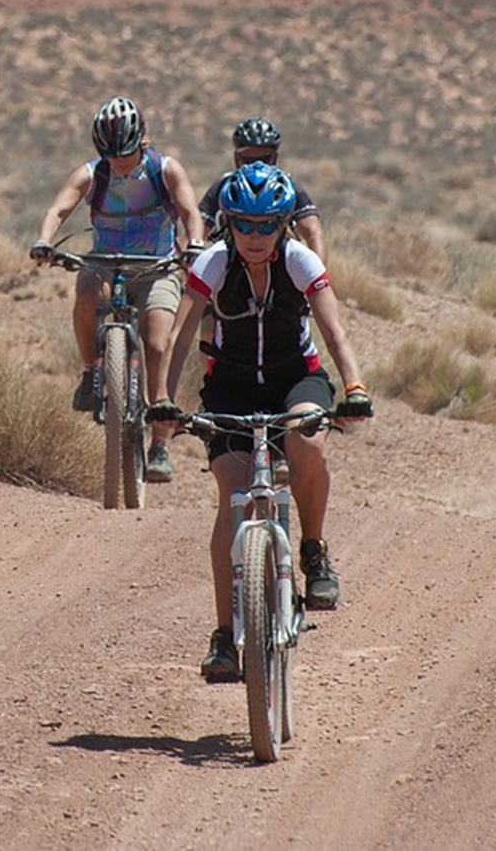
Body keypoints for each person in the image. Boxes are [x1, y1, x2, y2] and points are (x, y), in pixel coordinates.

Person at [162, 162, 373, 682]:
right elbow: (180, 338)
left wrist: (355, 387)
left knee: (306, 440)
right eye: (244, 225)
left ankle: (314, 551)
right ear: (228, 224)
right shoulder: (213, 263)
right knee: (233, 497)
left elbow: (335, 332)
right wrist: (162, 401)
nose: (255, 237)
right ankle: (222, 635)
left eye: (267, 226)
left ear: (283, 225)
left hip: (294, 379)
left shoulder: (299, 261)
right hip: (230, 385)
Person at [29, 97, 204, 484]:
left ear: (141, 139)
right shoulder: (93, 174)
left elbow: (191, 212)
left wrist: (194, 244)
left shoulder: (164, 169)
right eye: (110, 154)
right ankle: (92, 371)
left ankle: (159, 442)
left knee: (158, 343)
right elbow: (58, 210)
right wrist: (44, 240)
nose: (118, 161)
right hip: (106, 261)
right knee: (87, 293)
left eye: (125, 152)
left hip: (157, 267)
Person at [198, 117, 325, 259]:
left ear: (275, 158)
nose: (256, 165)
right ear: (236, 158)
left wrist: (319, 271)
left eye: (264, 158)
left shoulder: (289, 187)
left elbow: (313, 233)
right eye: (248, 158)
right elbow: (196, 231)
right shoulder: (224, 186)